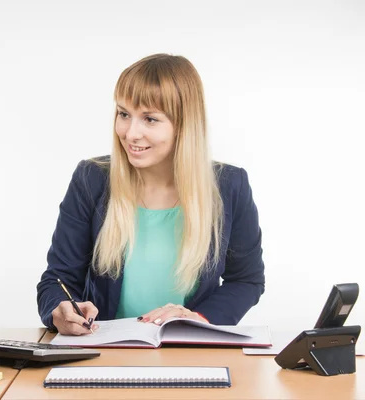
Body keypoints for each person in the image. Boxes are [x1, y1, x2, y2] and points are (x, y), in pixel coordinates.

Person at [36, 54, 265, 335]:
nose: (131, 133)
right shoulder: (92, 179)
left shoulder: (229, 185)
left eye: (150, 119)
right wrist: (59, 310)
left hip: (189, 350)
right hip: (104, 353)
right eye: (124, 114)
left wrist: (198, 318)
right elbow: (58, 278)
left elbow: (246, 280)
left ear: (184, 124)